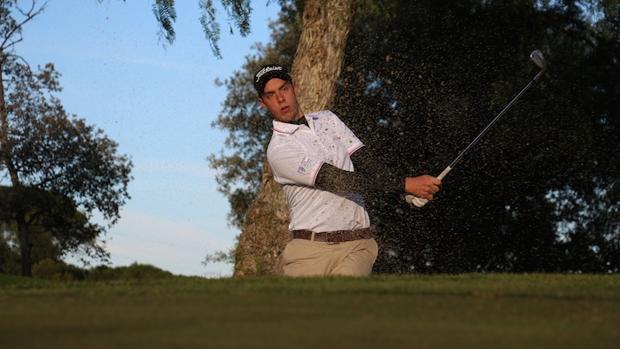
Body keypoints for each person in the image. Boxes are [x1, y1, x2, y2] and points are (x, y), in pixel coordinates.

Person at [254, 64, 441, 277]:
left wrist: (405, 189)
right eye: (271, 95)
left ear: (294, 87)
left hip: (358, 246)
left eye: (284, 89)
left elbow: (368, 163)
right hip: (310, 251)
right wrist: (405, 184)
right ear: (263, 103)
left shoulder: (327, 119)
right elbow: (337, 180)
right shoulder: (279, 149)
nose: (280, 98)